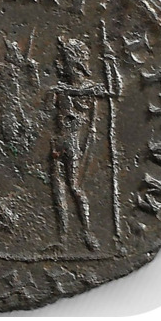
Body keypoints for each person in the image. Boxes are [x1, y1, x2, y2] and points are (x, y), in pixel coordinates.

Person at [48, 36, 107, 252]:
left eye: (63, 60)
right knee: (57, 190)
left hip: (73, 143)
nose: (58, 64)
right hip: (57, 143)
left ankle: (86, 233)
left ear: (75, 64)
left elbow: (112, 91)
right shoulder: (62, 90)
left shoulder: (87, 91)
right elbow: (52, 103)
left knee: (73, 187)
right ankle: (62, 239)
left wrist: (109, 65)